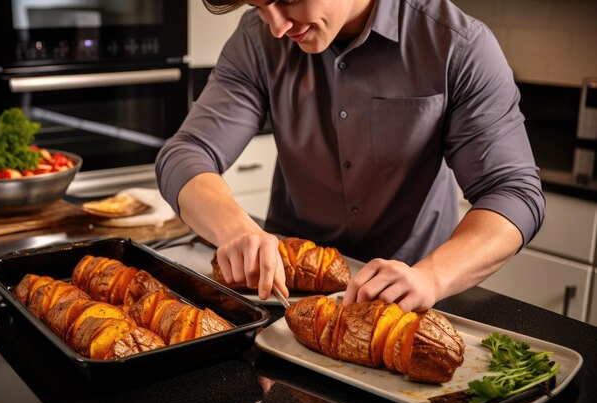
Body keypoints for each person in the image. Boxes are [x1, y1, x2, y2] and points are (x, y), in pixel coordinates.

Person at [155, 0, 545, 313]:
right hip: (279, 299)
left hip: (412, 301)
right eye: (259, 7)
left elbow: (513, 192)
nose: (275, 26)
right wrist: (236, 231)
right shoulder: (257, 41)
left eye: (288, 0)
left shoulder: (458, 45)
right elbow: (187, 152)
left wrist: (432, 277)